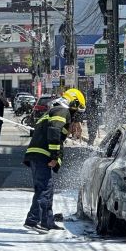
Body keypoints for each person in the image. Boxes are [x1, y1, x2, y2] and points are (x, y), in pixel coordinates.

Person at [23, 88, 86, 233]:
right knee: (44, 189)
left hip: (39, 155)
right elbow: (54, 131)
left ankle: (47, 222)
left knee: (48, 189)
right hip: (42, 155)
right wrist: (54, 156)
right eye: (77, 109)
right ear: (73, 103)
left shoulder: (56, 110)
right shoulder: (62, 111)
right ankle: (33, 220)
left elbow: (56, 135)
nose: (76, 114)